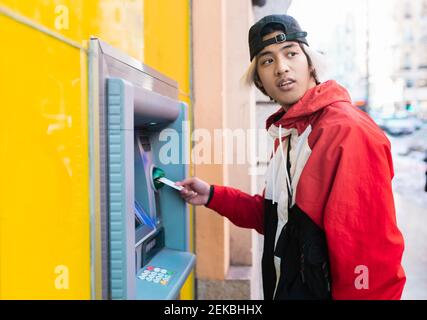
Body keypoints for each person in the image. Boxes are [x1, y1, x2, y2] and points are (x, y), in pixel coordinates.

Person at [176, 14, 406, 300]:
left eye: (291, 53)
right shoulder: (289, 133)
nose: (281, 68)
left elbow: (370, 252)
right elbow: (277, 218)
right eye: (267, 60)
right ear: (259, 81)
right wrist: (211, 195)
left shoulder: (346, 131)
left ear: (310, 63)